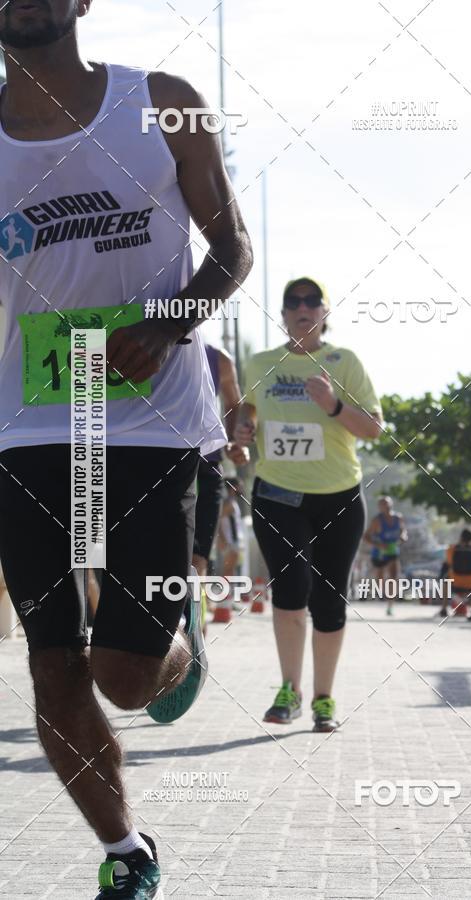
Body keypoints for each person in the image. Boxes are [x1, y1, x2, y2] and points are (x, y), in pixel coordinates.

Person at [0, 4, 252, 899]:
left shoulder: (165, 104)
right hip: (28, 425)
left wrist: (171, 320)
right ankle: (126, 851)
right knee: (53, 661)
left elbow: (232, 250)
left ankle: (174, 643)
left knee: (127, 679)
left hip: (152, 422)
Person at [235, 278, 382, 732]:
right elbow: (245, 416)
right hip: (277, 494)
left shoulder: (345, 362)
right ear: (282, 314)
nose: (302, 308)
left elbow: (374, 428)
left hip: (337, 496)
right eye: (293, 302)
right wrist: (240, 437)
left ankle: (323, 698)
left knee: (329, 599)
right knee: (290, 589)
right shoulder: (260, 363)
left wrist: (334, 405)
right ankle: (289, 690)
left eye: (311, 301)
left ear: (324, 312)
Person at [191, 345, 248, 630]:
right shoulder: (146, 339)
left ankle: (194, 642)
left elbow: (234, 402)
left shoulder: (218, 358)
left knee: (197, 559)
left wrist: (233, 441)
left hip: (205, 465)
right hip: (154, 462)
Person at [364, 495, 407, 615]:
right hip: (379, 553)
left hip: (392, 551)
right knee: (380, 580)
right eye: (383, 504)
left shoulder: (398, 517)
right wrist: (378, 545)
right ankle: (383, 594)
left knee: (393, 577)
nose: (386, 506)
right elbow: (366, 537)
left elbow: (403, 530)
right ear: (379, 507)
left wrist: (403, 536)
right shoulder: (377, 520)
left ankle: (390, 605)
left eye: (387, 504)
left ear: (391, 504)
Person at [439, 530, 471, 618]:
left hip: (456, 582)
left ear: (460, 538)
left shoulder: (451, 549)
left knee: (445, 579)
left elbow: (449, 562)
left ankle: (444, 608)